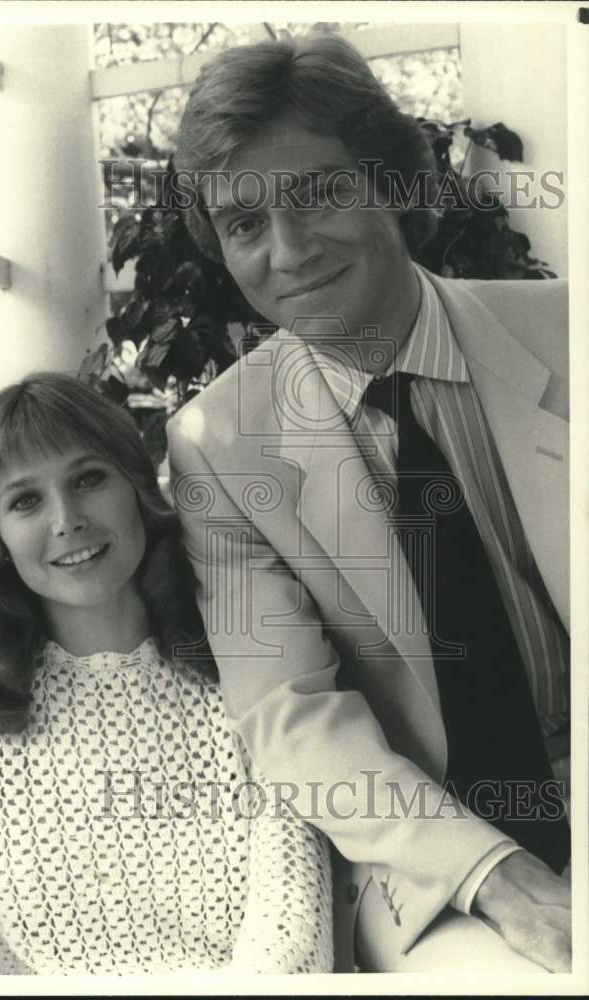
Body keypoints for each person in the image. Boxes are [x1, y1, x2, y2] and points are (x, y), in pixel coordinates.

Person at [166, 35, 571, 973]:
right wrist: (497, 872)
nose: (289, 251)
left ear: (394, 184)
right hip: (440, 861)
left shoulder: (571, 336)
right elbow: (290, 717)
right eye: (244, 225)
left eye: (316, 195)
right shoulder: (216, 449)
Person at [0, 372, 333, 975]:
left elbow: (292, 924)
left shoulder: (243, 651)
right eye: (26, 500)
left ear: (136, 486)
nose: (66, 519)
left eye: (88, 479)